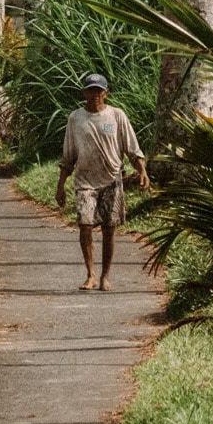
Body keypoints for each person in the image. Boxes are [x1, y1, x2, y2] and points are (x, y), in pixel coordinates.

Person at [55, 73, 150, 291]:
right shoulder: (76, 119)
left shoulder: (116, 116)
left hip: (111, 180)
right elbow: (68, 156)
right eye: (91, 90)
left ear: (106, 93)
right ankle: (90, 275)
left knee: (109, 228)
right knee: (85, 225)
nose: (95, 94)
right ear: (84, 93)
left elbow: (132, 148)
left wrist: (142, 171)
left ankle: (105, 276)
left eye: (99, 90)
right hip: (85, 181)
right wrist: (60, 186)